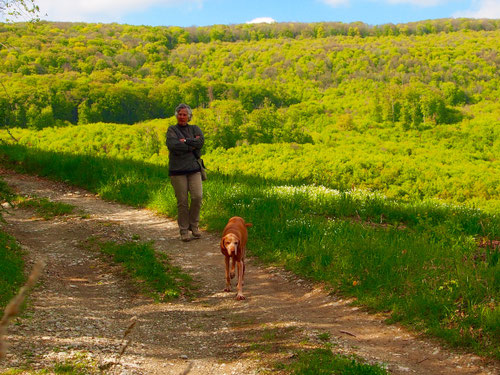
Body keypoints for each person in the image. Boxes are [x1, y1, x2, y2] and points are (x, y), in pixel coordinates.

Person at [166, 103, 205, 242]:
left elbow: (200, 142)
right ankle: (184, 230)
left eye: (184, 115)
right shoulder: (172, 130)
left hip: (194, 169)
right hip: (177, 171)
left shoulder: (195, 128)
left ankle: (194, 226)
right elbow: (173, 145)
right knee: (182, 202)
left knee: (197, 197)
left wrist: (186, 141)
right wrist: (191, 146)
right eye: (180, 114)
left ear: (189, 116)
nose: (182, 117)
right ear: (177, 116)